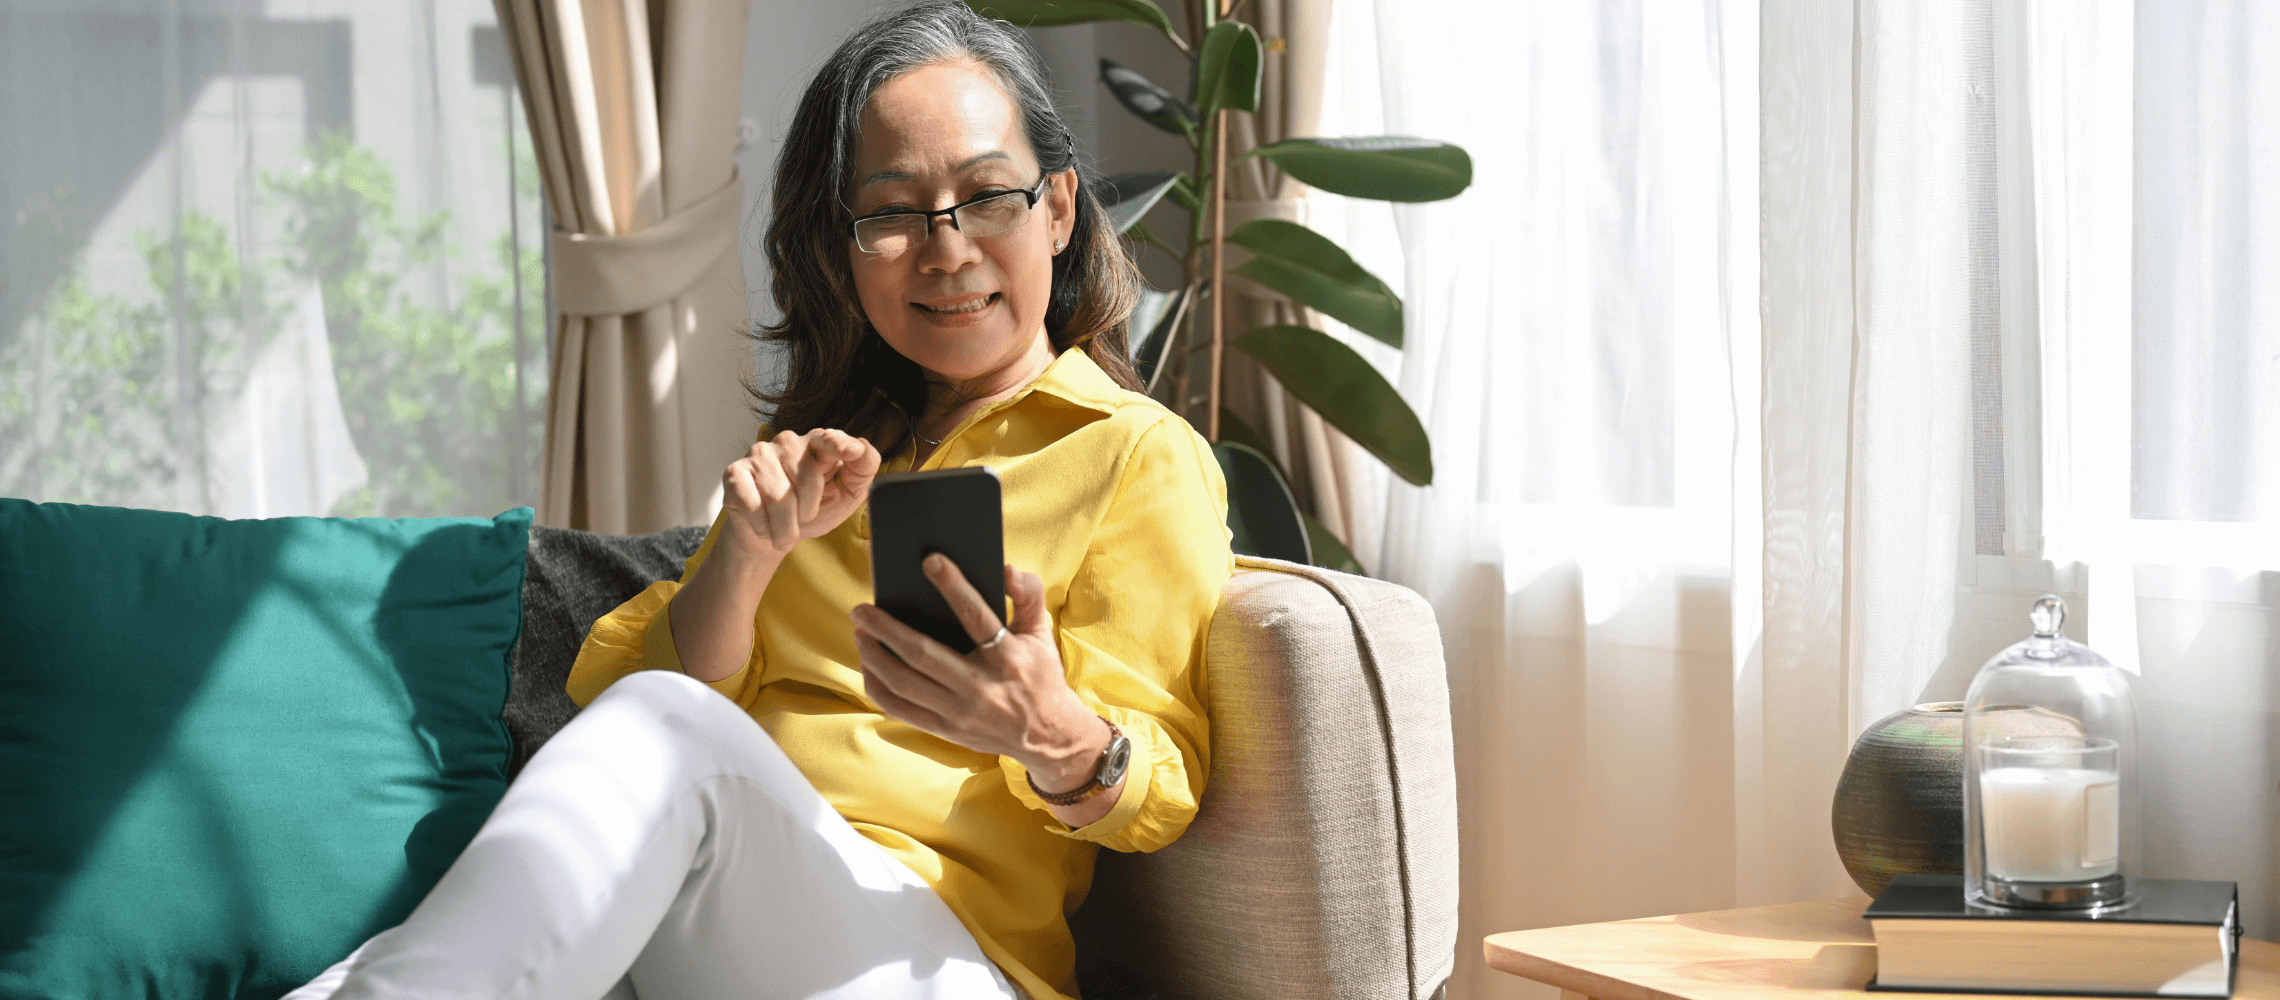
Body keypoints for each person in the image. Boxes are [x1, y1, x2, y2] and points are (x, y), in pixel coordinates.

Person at [283, 2, 1232, 999]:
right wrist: (744, 553)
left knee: (667, 734)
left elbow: (1167, 785)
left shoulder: (1135, 455)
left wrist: (1055, 731)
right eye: (893, 213)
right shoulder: (826, 462)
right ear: (845, 247)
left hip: (932, 960)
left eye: (989, 196)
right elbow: (635, 720)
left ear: (1059, 209)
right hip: (731, 928)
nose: (946, 249)